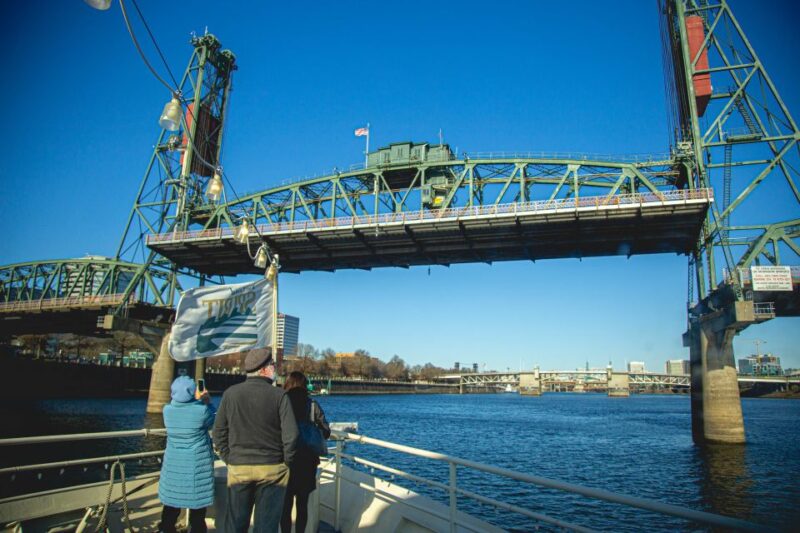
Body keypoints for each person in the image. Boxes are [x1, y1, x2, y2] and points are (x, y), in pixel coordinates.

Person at [213, 349, 299, 533]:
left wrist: (230, 458)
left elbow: (218, 432)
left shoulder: (231, 394)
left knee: (236, 522)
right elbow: (291, 435)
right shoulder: (279, 396)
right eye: (273, 365)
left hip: (239, 466)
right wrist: (286, 461)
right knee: (266, 525)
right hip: (273, 468)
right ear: (264, 369)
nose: (275, 369)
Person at [158, 375, 216, 533]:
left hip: (173, 467)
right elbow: (214, 420)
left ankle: (166, 529)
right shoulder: (202, 411)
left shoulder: (167, 411)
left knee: (170, 510)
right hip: (196, 468)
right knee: (198, 515)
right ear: (192, 392)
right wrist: (206, 401)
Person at [280, 372, 331, 533]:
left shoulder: (282, 402)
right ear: (304, 385)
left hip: (286, 459)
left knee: (285, 506)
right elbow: (326, 431)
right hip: (307, 462)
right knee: (302, 505)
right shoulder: (312, 404)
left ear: (287, 384)